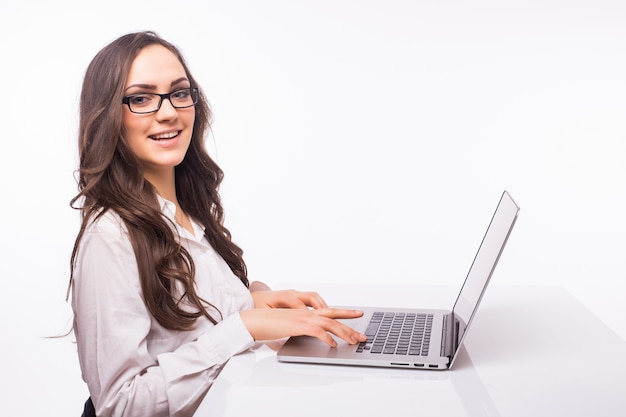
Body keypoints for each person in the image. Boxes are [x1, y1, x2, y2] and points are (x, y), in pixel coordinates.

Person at [69, 31, 367, 417]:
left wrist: (254, 304)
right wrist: (244, 325)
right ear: (109, 116)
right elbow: (121, 404)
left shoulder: (188, 212)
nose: (168, 112)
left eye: (179, 92)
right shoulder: (109, 237)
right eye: (141, 98)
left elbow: (180, 334)